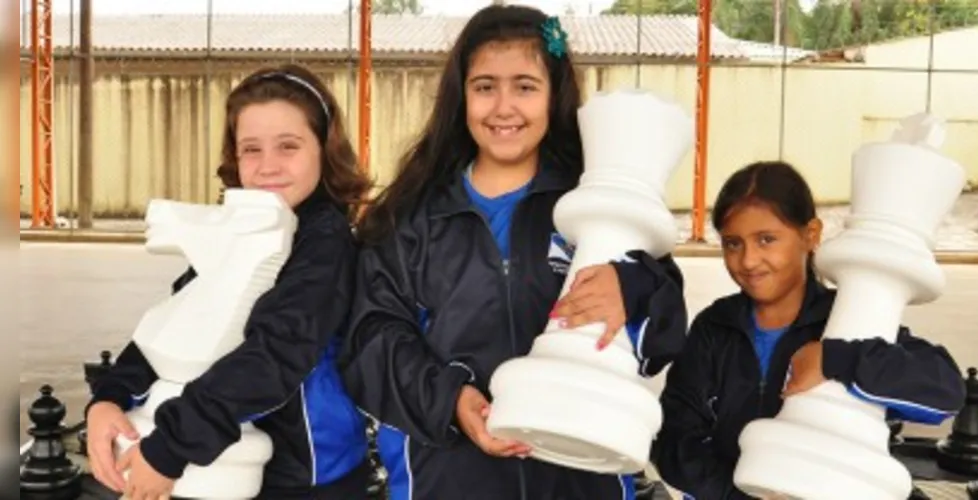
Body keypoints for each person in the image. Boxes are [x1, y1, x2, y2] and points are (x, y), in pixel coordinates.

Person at [339, 5, 688, 500]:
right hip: (447, 480)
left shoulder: (598, 202)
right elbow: (371, 342)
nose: (504, 108)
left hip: (580, 477)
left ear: (553, 96)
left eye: (525, 87)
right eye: (485, 87)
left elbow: (663, 337)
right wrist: (450, 400)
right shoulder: (408, 220)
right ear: (461, 96)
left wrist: (629, 287)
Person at [84, 63, 374, 500]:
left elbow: (276, 354)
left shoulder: (327, 246)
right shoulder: (242, 229)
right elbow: (184, 321)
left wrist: (170, 449)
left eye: (288, 146)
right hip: (223, 465)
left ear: (324, 149)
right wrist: (112, 396)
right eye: (251, 149)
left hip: (306, 480)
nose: (268, 166)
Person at [652, 161, 966, 499]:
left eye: (766, 239)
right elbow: (674, 442)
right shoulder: (714, 328)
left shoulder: (850, 322)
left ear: (811, 235)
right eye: (733, 243)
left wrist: (835, 359)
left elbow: (944, 393)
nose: (748, 260)